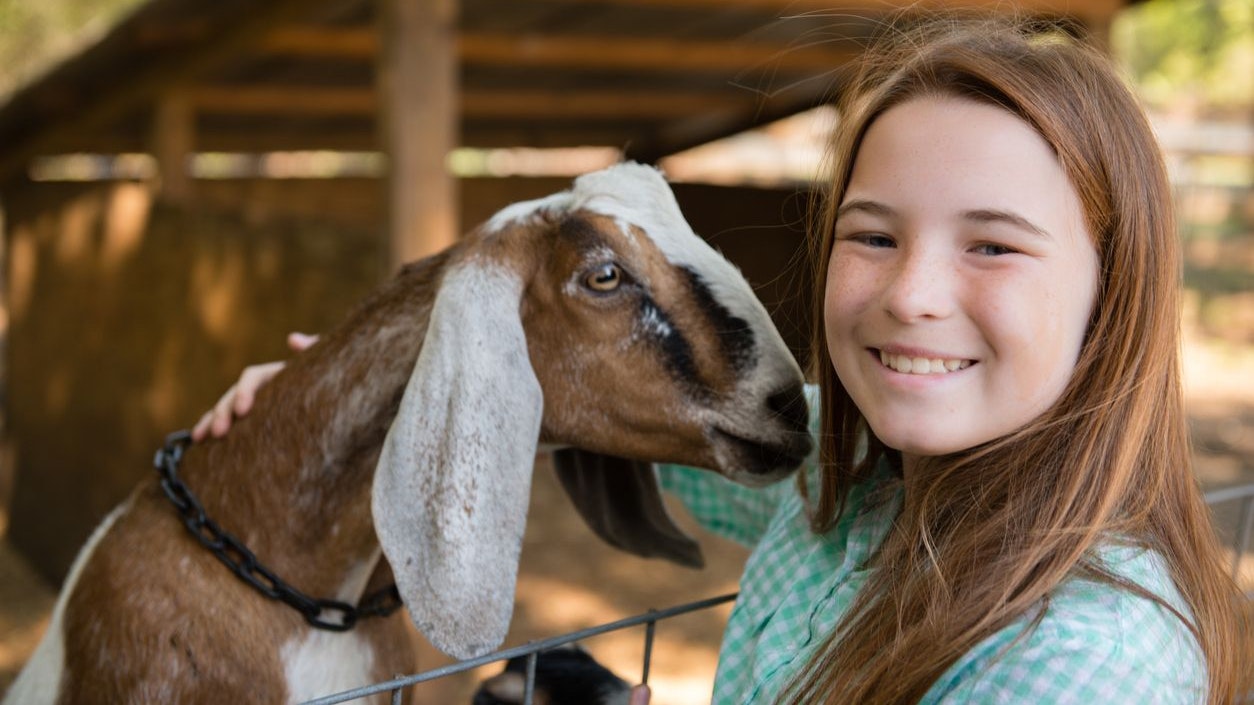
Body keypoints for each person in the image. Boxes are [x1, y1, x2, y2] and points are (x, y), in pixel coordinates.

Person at [194, 16, 1249, 704]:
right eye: (872, 234)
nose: (910, 294)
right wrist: (358, 400)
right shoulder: (847, 480)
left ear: (1114, 291)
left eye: (993, 245)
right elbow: (621, 406)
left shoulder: (1084, 667)